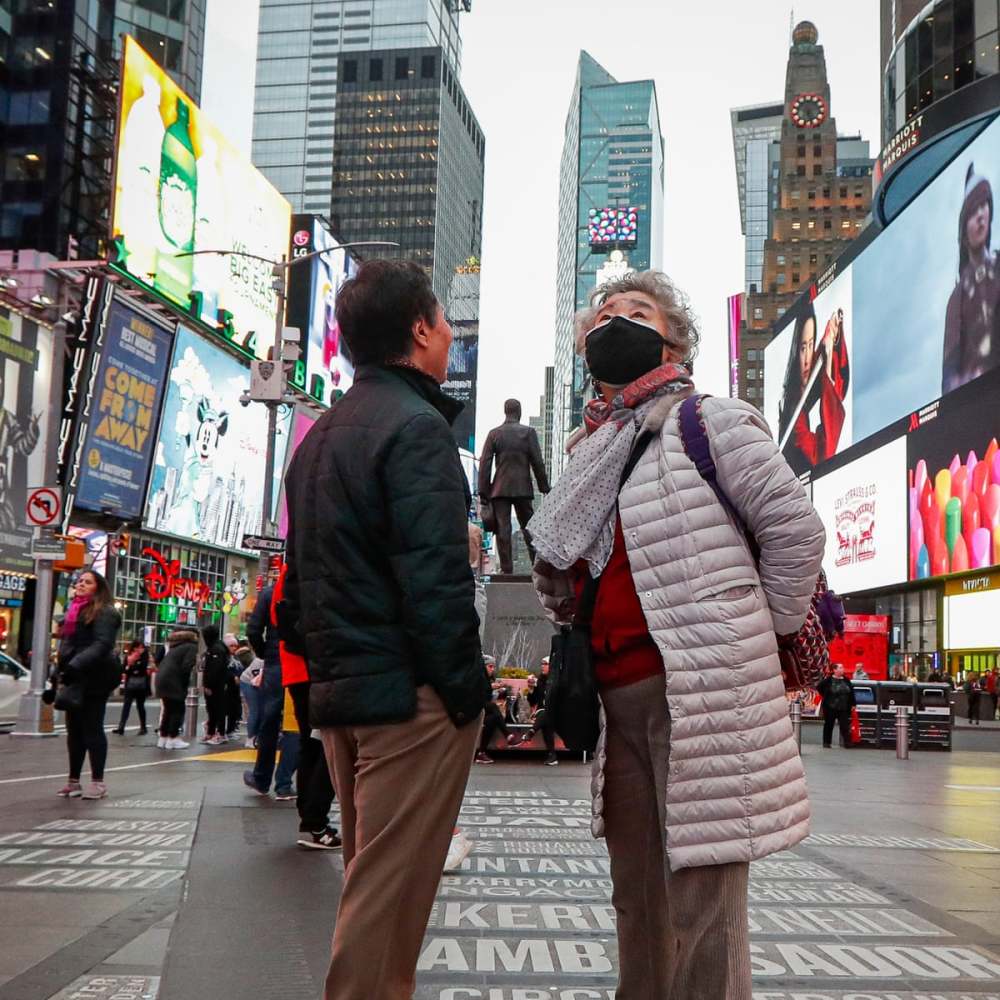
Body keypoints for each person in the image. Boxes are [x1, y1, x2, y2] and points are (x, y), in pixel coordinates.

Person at [530, 270, 824, 1000]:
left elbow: (795, 530)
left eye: (636, 311)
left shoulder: (708, 421)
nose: (615, 322)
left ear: (675, 339)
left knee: (704, 904)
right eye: (603, 316)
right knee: (638, 898)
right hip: (615, 696)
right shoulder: (586, 453)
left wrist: (761, 633)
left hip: (703, 690)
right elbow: (568, 574)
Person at [281, 258, 489, 999]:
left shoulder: (316, 440)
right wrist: (469, 695)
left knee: (372, 886)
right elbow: (435, 581)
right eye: (444, 324)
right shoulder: (418, 430)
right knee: (387, 905)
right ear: (422, 328)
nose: (449, 338)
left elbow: (293, 596)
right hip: (411, 702)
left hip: (344, 698)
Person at [272, 562, 340, 848]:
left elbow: (276, 622)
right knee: (330, 745)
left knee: (312, 743)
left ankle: (311, 818)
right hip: (320, 669)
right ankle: (315, 819)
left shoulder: (288, 573)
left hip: (296, 672)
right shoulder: (317, 569)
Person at [54, 570, 122, 800]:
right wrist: (58, 675)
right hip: (75, 675)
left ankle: (97, 782)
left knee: (92, 728)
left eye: (88, 581)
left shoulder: (105, 612)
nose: (81, 584)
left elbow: (102, 644)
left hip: (95, 677)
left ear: (98, 587)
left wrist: (76, 664)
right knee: (74, 731)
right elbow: (66, 646)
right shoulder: (73, 610)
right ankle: (73, 781)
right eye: (80, 581)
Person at [942, 165, 1000, 394]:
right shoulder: (957, 299)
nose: (980, 215)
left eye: (984, 205)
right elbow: (949, 381)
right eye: (973, 209)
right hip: (976, 414)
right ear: (963, 230)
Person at [478, 398, 551, 573]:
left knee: (503, 527)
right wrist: (544, 487)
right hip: (522, 488)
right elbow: (538, 462)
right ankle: (537, 567)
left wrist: (484, 493)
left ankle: (506, 569)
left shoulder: (494, 434)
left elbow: (484, 465)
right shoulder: (528, 433)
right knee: (529, 527)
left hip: (500, 489)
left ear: (505, 412)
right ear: (519, 412)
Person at [777, 304, 849, 476]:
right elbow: (821, 455)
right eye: (803, 348)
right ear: (795, 351)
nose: (808, 358)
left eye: (811, 344)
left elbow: (830, 373)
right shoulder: (792, 407)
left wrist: (832, 340)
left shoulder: (802, 381)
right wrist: (828, 356)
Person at [244, 586, 284, 794]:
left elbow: (253, 630)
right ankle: (291, 781)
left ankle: (262, 777)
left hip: (277, 660)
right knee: (305, 724)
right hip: (306, 661)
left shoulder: (271, 593)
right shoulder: (315, 585)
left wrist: (264, 653)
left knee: (269, 722)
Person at [155, 629, 199, 750]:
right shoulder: (191, 647)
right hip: (174, 680)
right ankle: (173, 739)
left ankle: (163, 738)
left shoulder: (174, 647)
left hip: (162, 679)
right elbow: (186, 667)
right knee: (178, 709)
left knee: (168, 710)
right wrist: (184, 685)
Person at [200, 625, 230, 745]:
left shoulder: (216, 649)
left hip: (217, 685)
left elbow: (214, 669)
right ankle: (211, 732)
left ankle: (220, 734)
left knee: (217, 709)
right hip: (216, 684)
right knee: (212, 709)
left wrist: (208, 684)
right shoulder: (215, 647)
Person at [113, 640, 150, 736]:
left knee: (140, 706)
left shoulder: (144, 655)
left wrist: (132, 667)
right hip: (130, 685)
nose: (140, 649)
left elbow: (142, 668)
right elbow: (125, 669)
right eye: (138, 647)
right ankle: (121, 727)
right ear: (134, 647)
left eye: (141, 647)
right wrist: (132, 667)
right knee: (126, 705)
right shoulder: (128, 656)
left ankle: (143, 727)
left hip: (141, 685)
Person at [817, 664, 857, 748]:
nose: (843, 669)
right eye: (840, 668)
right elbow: (819, 687)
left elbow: (851, 692)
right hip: (830, 706)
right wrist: (825, 695)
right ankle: (826, 742)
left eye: (842, 667)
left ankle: (847, 743)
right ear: (835, 670)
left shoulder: (846, 680)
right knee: (829, 724)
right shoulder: (828, 680)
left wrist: (853, 704)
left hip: (843, 707)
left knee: (844, 725)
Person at [223, 632, 243, 737]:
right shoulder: (224, 657)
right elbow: (223, 670)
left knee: (234, 710)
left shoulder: (235, 657)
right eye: (231, 646)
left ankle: (231, 729)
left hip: (235, 688)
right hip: (226, 687)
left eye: (235, 646)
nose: (234, 648)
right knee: (226, 709)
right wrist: (233, 677)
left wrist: (239, 676)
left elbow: (240, 668)